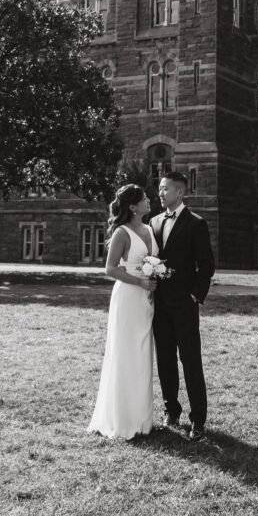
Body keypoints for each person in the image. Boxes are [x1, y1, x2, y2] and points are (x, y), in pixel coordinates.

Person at [87, 184, 158, 440]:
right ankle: (124, 420)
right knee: (127, 353)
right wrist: (140, 282)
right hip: (128, 297)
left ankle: (143, 420)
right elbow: (110, 268)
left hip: (147, 299)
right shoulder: (122, 232)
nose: (149, 200)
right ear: (133, 207)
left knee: (143, 354)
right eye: (144, 198)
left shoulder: (150, 229)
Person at [150, 171, 215, 441]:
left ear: (180, 192)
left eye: (165, 189)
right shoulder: (152, 222)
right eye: (160, 188)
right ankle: (171, 411)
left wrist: (195, 296)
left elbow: (207, 265)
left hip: (185, 305)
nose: (161, 193)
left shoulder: (196, 223)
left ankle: (198, 421)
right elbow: (152, 258)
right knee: (165, 359)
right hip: (159, 304)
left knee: (190, 361)